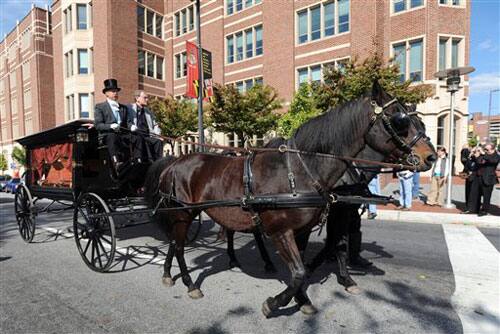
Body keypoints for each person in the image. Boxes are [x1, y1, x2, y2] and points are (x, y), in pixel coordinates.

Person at [94, 79, 142, 171]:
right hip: (107, 135)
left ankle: (138, 160)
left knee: (137, 137)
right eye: (113, 91)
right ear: (106, 93)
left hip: (122, 135)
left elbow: (127, 122)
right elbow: (98, 125)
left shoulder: (123, 108)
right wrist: (110, 126)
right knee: (112, 136)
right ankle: (116, 162)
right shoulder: (100, 107)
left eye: (116, 91)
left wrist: (131, 126)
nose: (115, 93)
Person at [127, 90, 164, 162]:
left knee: (158, 141)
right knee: (143, 140)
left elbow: (155, 124)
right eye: (145, 98)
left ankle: (159, 162)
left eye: (147, 98)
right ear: (137, 98)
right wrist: (131, 126)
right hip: (135, 136)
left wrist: (158, 135)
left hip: (148, 135)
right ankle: (149, 162)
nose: (147, 99)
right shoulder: (129, 108)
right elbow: (126, 121)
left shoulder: (148, 111)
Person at [475, 143, 500, 216]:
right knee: (478, 194)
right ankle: (476, 208)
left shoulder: (496, 156)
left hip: (489, 178)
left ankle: (484, 210)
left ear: (492, 149)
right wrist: (479, 155)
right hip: (480, 177)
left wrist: (484, 155)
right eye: (485, 149)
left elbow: (493, 161)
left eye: (487, 149)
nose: (485, 150)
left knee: (486, 196)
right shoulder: (485, 155)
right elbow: (479, 161)